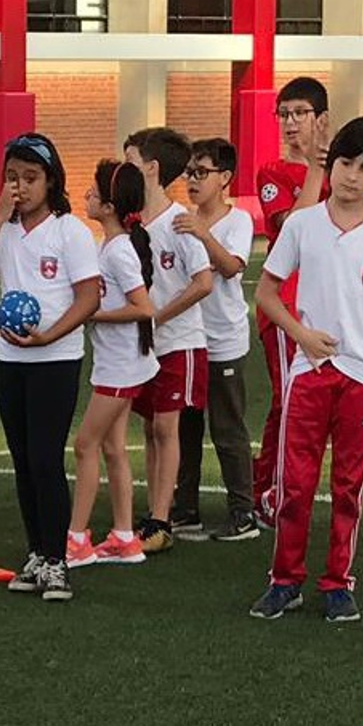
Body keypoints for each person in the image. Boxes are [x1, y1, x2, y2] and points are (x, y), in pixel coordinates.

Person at [249, 117, 363, 625]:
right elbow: (266, 292)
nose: (352, 177)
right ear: (331, 163)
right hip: (309, 371)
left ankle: (338, 582)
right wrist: (301, 336)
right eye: (345, 163)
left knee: (349, 487)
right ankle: (284, 581)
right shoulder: (302, 225)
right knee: (295, 485)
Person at [0, 132, 101, 603]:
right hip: (10, 360)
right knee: (22, 461)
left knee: (45, 458)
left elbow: (89, 297)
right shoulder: (5, 229)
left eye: (30, 177)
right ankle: (37, 553)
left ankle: (58, 560)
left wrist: (51, 335)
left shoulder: (70, 231)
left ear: (51, 181)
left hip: (55, 360)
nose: (20, 186)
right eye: (12, 177)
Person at [122, 126, 215, 552]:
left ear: (152, 168)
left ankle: (162, 519)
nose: (123, 171)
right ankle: (154, 510)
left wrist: (158, 315)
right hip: (148, 343)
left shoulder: (179, 222)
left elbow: (202, 283)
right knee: (150, 426)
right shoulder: (132, 222)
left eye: (129, 162)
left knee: (166, 425)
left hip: (180, 340)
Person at [168, 137, 261, 542]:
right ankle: (185, 509)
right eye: (189, 172)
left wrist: (203, 234)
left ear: (224, 178)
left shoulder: (236, 221)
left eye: (201, 172)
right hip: (189, 341)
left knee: (227, 429)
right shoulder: (184, 218)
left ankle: (243, 512)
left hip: (223, 340)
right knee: (185, 429)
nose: (192, 180)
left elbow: (231, 268)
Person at [67, 160, 158, 570]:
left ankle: (77, 540)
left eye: (93, 190)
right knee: (112, 447)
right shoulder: (110, 245)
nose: (86, 195)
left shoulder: (119, 250)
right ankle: (124, 537)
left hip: (120, 367)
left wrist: (93, 315)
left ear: (109, 205)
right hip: (119, 363)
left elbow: (144, 308)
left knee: (84, 445)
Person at [252, 77, 333, 522]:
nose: (289, 123)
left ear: (321, 118)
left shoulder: (343, 173)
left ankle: (265, 484)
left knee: (305, 405)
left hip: (328, 305)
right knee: (291, 402)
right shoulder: (273, 174)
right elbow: (295, 227)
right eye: (283, 114)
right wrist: (318, 170)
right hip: (285, 307)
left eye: (299, 113)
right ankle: (274, 494)